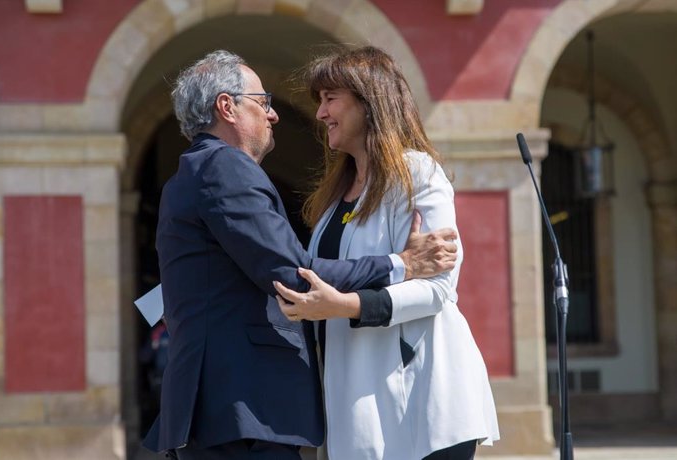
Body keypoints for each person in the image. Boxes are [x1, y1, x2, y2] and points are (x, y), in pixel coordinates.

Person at [142, 49, 459, 460]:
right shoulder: (225, 167)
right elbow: (295, 275)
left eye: (330, 99)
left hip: (231, 406)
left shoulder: (189, 174)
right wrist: (402, 264)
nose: (274, 115)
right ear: (227, 107)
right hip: (243, 406)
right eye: (263, 102)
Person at [273, 46, 500, 460]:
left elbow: (437, 289)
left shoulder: (418, 174)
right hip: (351, 390)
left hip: (422, 397)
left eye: (330, 99)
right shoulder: (334, 197)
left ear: (369, 101)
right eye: (319, 101)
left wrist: (346, 305)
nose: (320, 113)